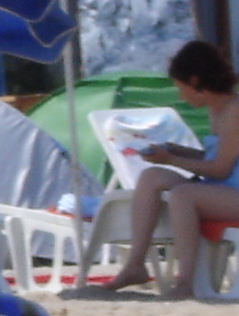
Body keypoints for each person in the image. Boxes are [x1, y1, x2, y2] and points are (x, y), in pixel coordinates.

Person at [101, 40, 239, 299]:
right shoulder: (216, 110)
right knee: (152, 176)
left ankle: (185, 283)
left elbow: (220, 169)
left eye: (180, 87)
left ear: (195, 81)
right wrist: (178, 151)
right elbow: (220, 157)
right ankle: (135, 264)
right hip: (222, 188)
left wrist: (171, 159)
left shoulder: (234, 112)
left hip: (233, 191)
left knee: (182, 196)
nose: (180, 95)